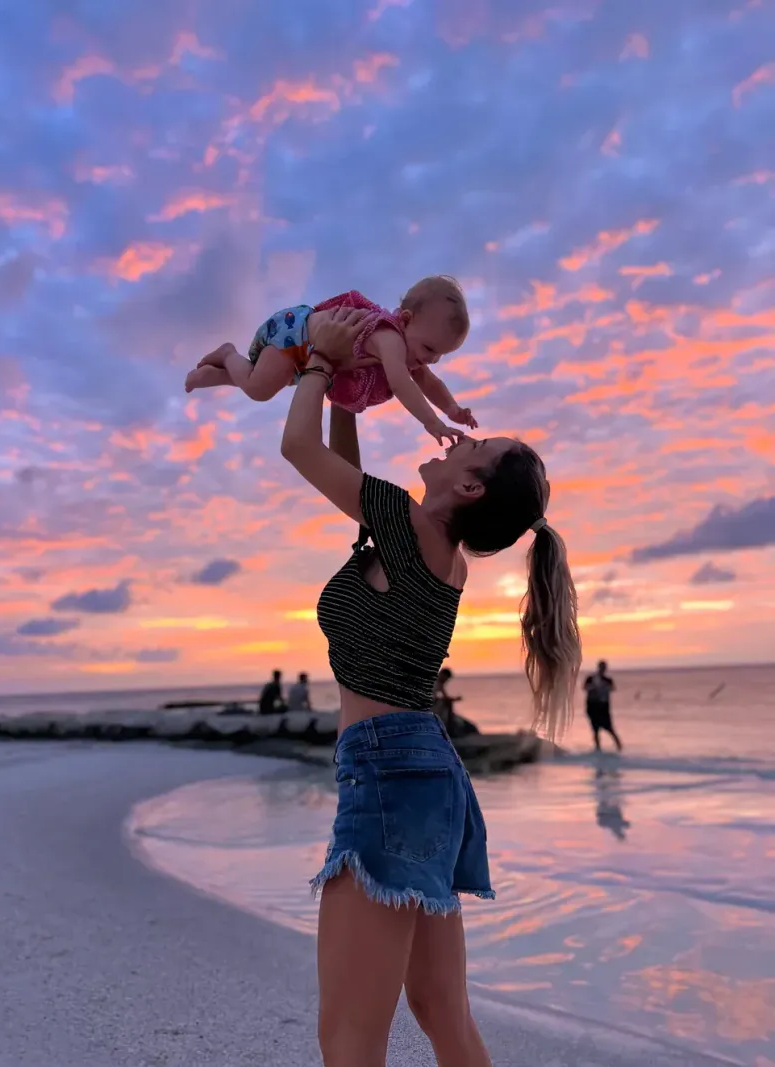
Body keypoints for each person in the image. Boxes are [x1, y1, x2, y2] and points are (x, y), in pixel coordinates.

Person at [279, 305, 582, 1067]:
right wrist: (351, 389)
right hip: (426, 776)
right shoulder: (436, 549)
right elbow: (338, 460)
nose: (454, 438)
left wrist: (317, 361)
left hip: (388, 773)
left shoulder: (410, 524)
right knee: (442, 1012)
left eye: (471, 444)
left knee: (348, 1038)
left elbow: (296, 446)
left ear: (472, 488)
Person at [184, 277, 476, 445]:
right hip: (295, 334)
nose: (431, 360)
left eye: (440, 355)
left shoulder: (408, 348)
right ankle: (227, 354)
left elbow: (429, 381)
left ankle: (212, 376)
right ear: (406, 319)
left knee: (271, 381)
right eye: (429, 348)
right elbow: (401, 383)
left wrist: (452, 408)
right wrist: (432, 422)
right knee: (260, 390)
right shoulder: (390, 336)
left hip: (305, 357)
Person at [583, 660, 622, 751]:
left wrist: (603, 686)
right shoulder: (591, 678)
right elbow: (585, 688)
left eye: (604, 668)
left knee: (609, 728)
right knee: (595, 730)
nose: (602, 669)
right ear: (598, 667)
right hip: (592, 707)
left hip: (603, 707)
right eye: (601, 667)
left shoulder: (607, 680)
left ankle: (619, 747)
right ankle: (598, 749)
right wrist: (594, 686)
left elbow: (612, 688)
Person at [433, 668, 478, 738]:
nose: (446, 681)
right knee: (448, 704)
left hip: (432, 705)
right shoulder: (436, 682)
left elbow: (444, 697)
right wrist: (456, 699)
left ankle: (450, 727)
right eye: (446, 679)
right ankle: (449, 727)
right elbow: (445, 698)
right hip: (429, 707)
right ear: (442, 675)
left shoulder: (439, 683)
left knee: (447, 704)